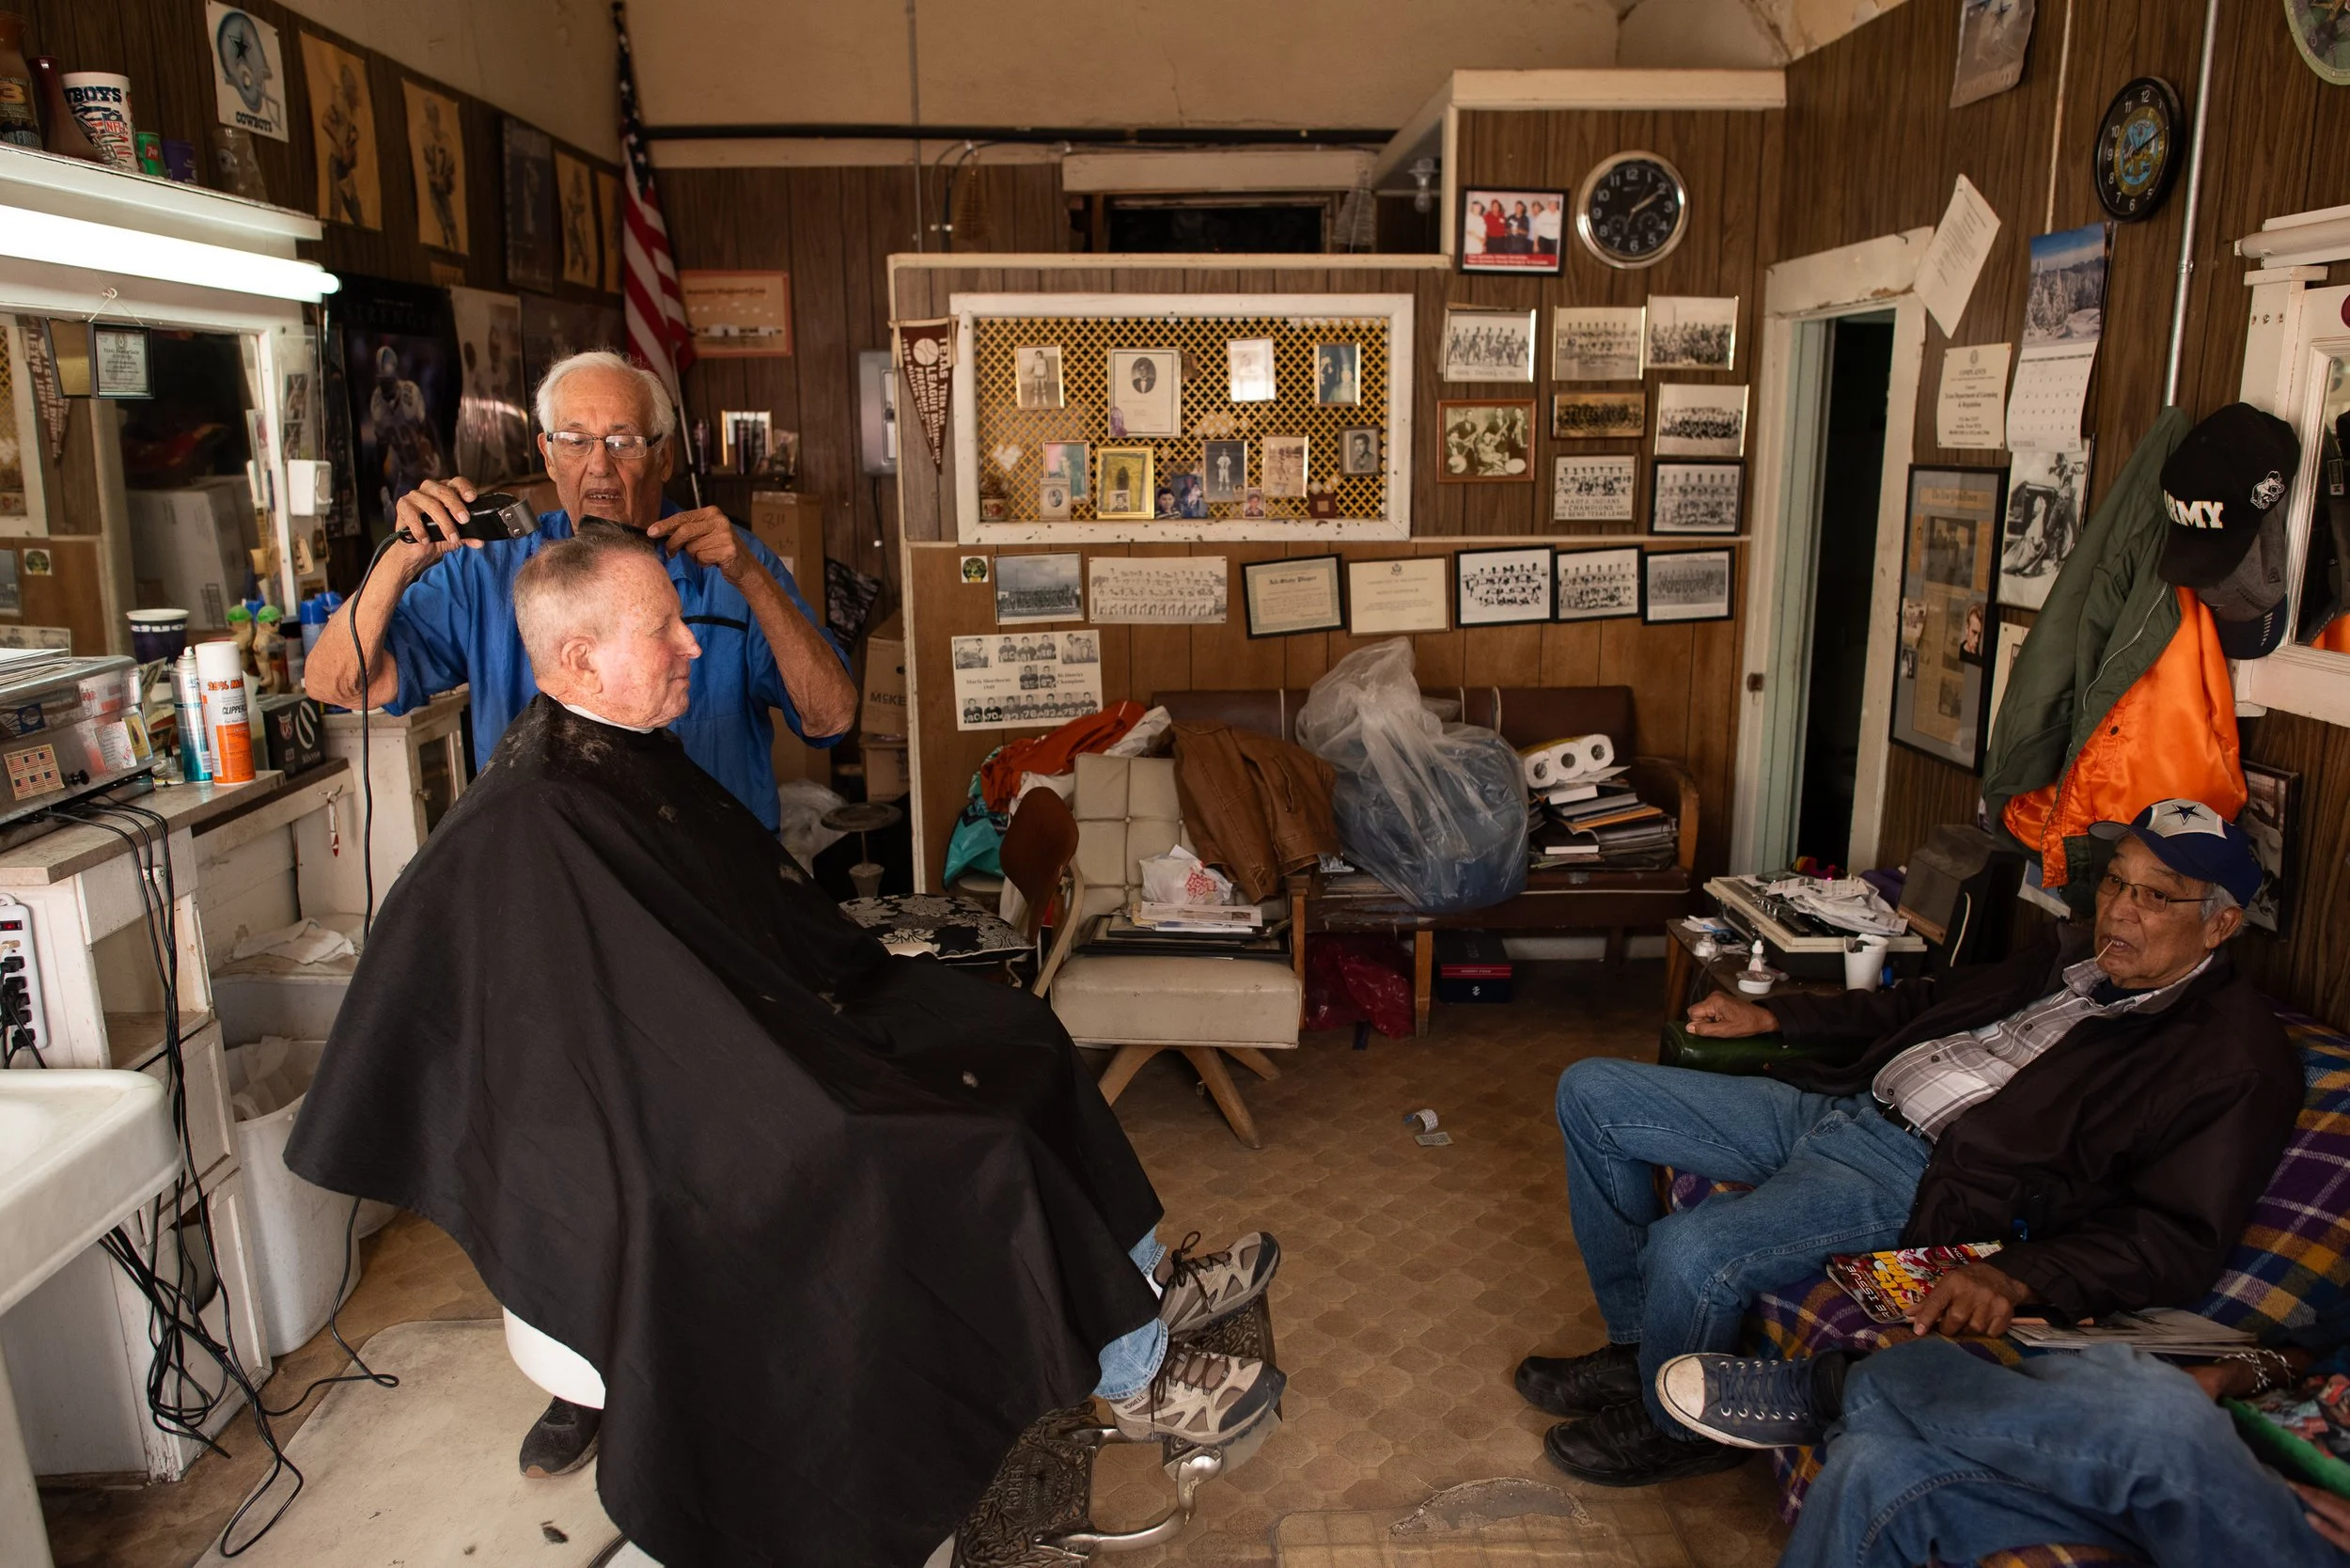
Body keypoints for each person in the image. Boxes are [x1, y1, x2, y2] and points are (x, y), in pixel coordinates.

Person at [286, 528, 1285, 1567]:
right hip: (698, 1122)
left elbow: (717, 959)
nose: (692, 645)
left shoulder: (617, 754)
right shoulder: (530, 819)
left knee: (1019, 1034)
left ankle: (1141, 1286)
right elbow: (619, 1040)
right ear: (578, 659)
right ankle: (1136, 1372)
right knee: (975, 1138)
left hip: (783, 1026)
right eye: (662, 629)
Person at [1521, 798, 2299, 1486]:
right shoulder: (2072, 957)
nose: (2121, 910)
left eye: (2156, 896)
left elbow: (2175, 1237)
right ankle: (1637, 1348)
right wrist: (1781, 1017)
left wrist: (2022, 1276)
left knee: (1698, 1249)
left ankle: (1677, 1428)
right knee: (1592, 1090)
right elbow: (1926, 1004)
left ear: (2221, 923)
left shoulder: (2229, 1061)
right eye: (2116, 881)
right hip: (1844, 1108)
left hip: (1920, 1178)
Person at [306, 349, 857, 837]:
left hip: (716, 881)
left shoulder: (729, 567)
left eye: (624, 441)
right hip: (555, 885)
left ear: (663, 456)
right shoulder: (487, 567)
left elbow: (829, 718)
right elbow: (339, 684)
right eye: (575, 441)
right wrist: (401, 559)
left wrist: (753, 582)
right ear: (548, 454)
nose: (599, 465)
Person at [1653, 1327, 2350, 1566]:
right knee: (1876, 1468)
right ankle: (1866, 1391)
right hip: (2266, 1461)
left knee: (2153, 1409)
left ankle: (1852, 1387)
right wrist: (2233, 1373)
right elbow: (2317, 1346)